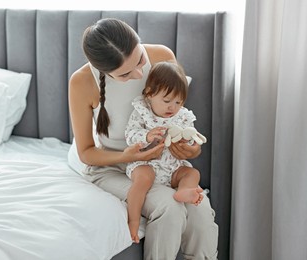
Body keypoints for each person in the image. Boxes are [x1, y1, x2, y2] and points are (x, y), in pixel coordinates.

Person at [68, 17, 218, 260]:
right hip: (114, 168)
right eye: (126, 74)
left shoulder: (162, 55)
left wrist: (190, 151)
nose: (139, 74)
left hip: (163, 166)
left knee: (200, 209)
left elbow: (176, 121)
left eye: (140, 60)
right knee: (169, 207)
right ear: (104, 70)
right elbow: (86, 152)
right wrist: (126, 156)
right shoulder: (82, 82)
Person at [125, 61, 204, 243]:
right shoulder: (142, 112)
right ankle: (133, 220)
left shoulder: (182, 115)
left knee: (192, 173)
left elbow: (192, 136)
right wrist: (146, 136)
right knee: (143, 178)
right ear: (150, 93)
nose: (172, 107)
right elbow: (130, 135)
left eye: (178, 102)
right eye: (167, 101)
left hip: (173, 167)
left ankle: (184, 191)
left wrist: (187, 143)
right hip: (146, 163)